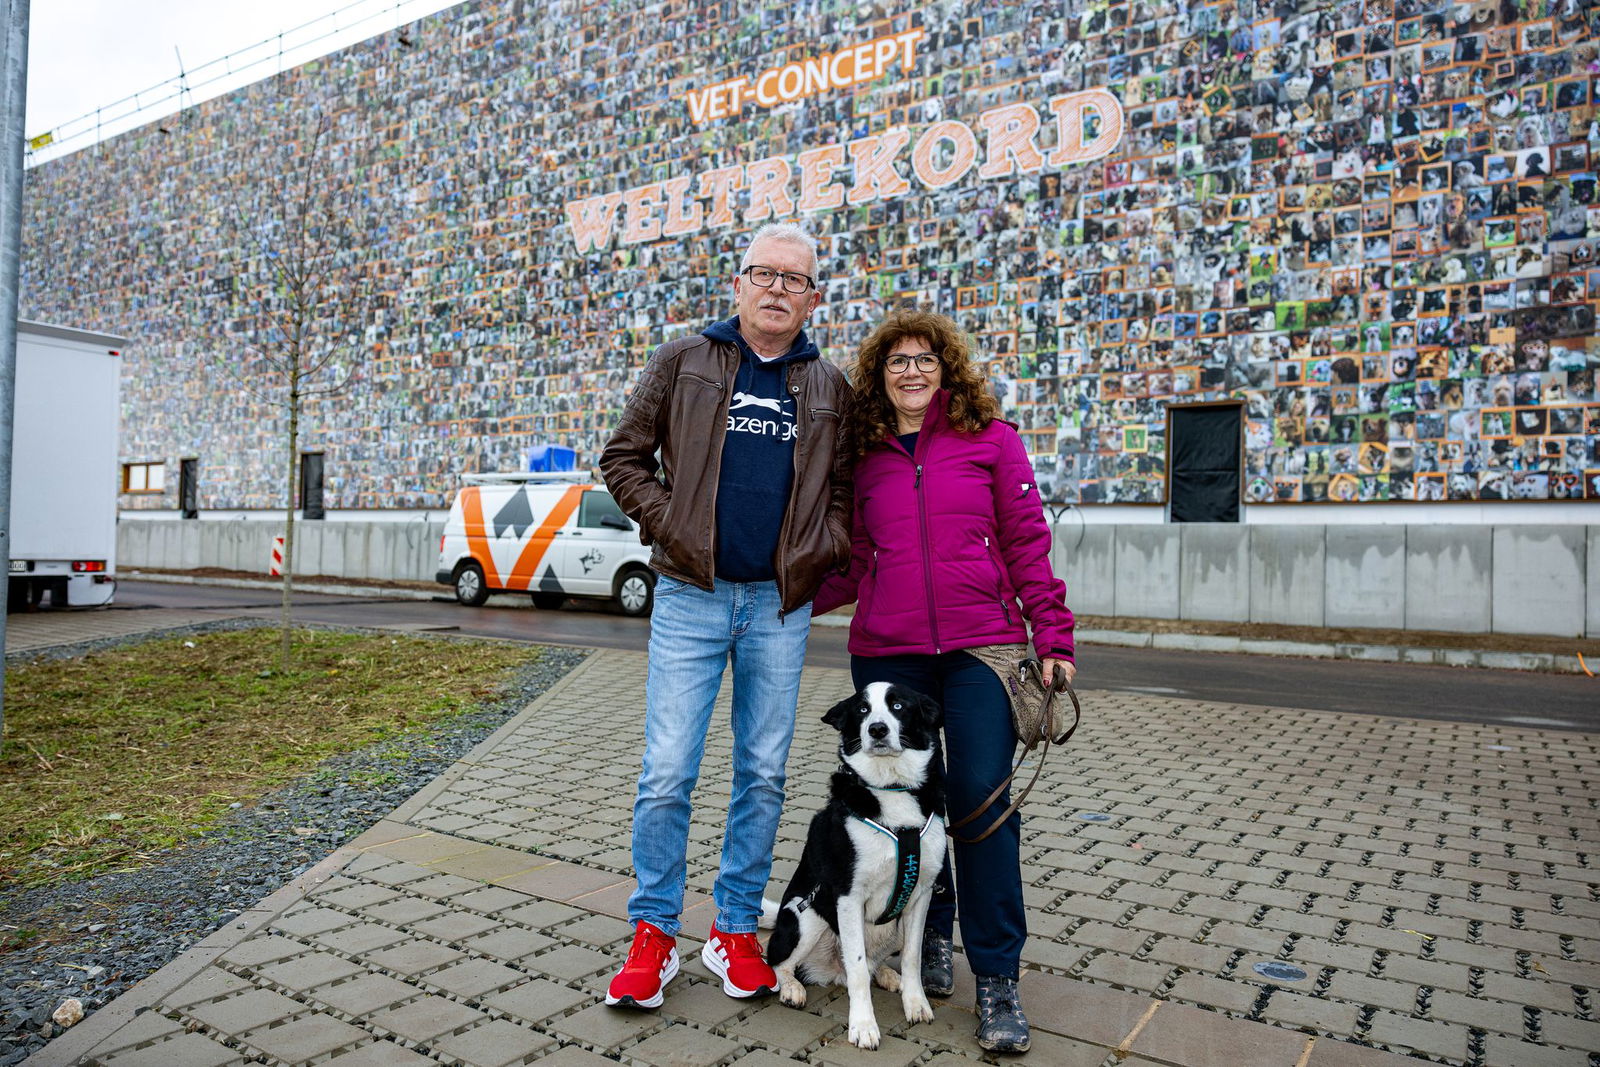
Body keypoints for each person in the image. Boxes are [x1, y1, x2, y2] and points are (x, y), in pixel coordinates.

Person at [598, 223, 851, 1009]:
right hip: (690, 594)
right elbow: (622, 457)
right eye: (764, 274)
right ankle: (653, 930)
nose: (778, 289)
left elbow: (843, 491)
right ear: (738, 283)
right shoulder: (684, 360)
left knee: (764, 772)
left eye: (794, 279)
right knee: (668, 769)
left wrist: (824, 547)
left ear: (814, 298)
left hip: (778, 604)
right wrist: (670, 523)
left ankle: (734, 928)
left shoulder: (829, 385)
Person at [813, 309, 1077, 1053]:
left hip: (982, 650)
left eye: (924, 359)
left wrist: (1052, 633)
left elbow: (1026, 542)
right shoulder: (864, 453)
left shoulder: (991, 440)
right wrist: (780, 602)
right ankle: (927, 938)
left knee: (980, 802)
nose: (911, 371)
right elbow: (851, 559)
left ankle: (996, 977)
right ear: (879, 375)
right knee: (906, 808)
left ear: (946, 368)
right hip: (889, 657)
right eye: (896, 360)